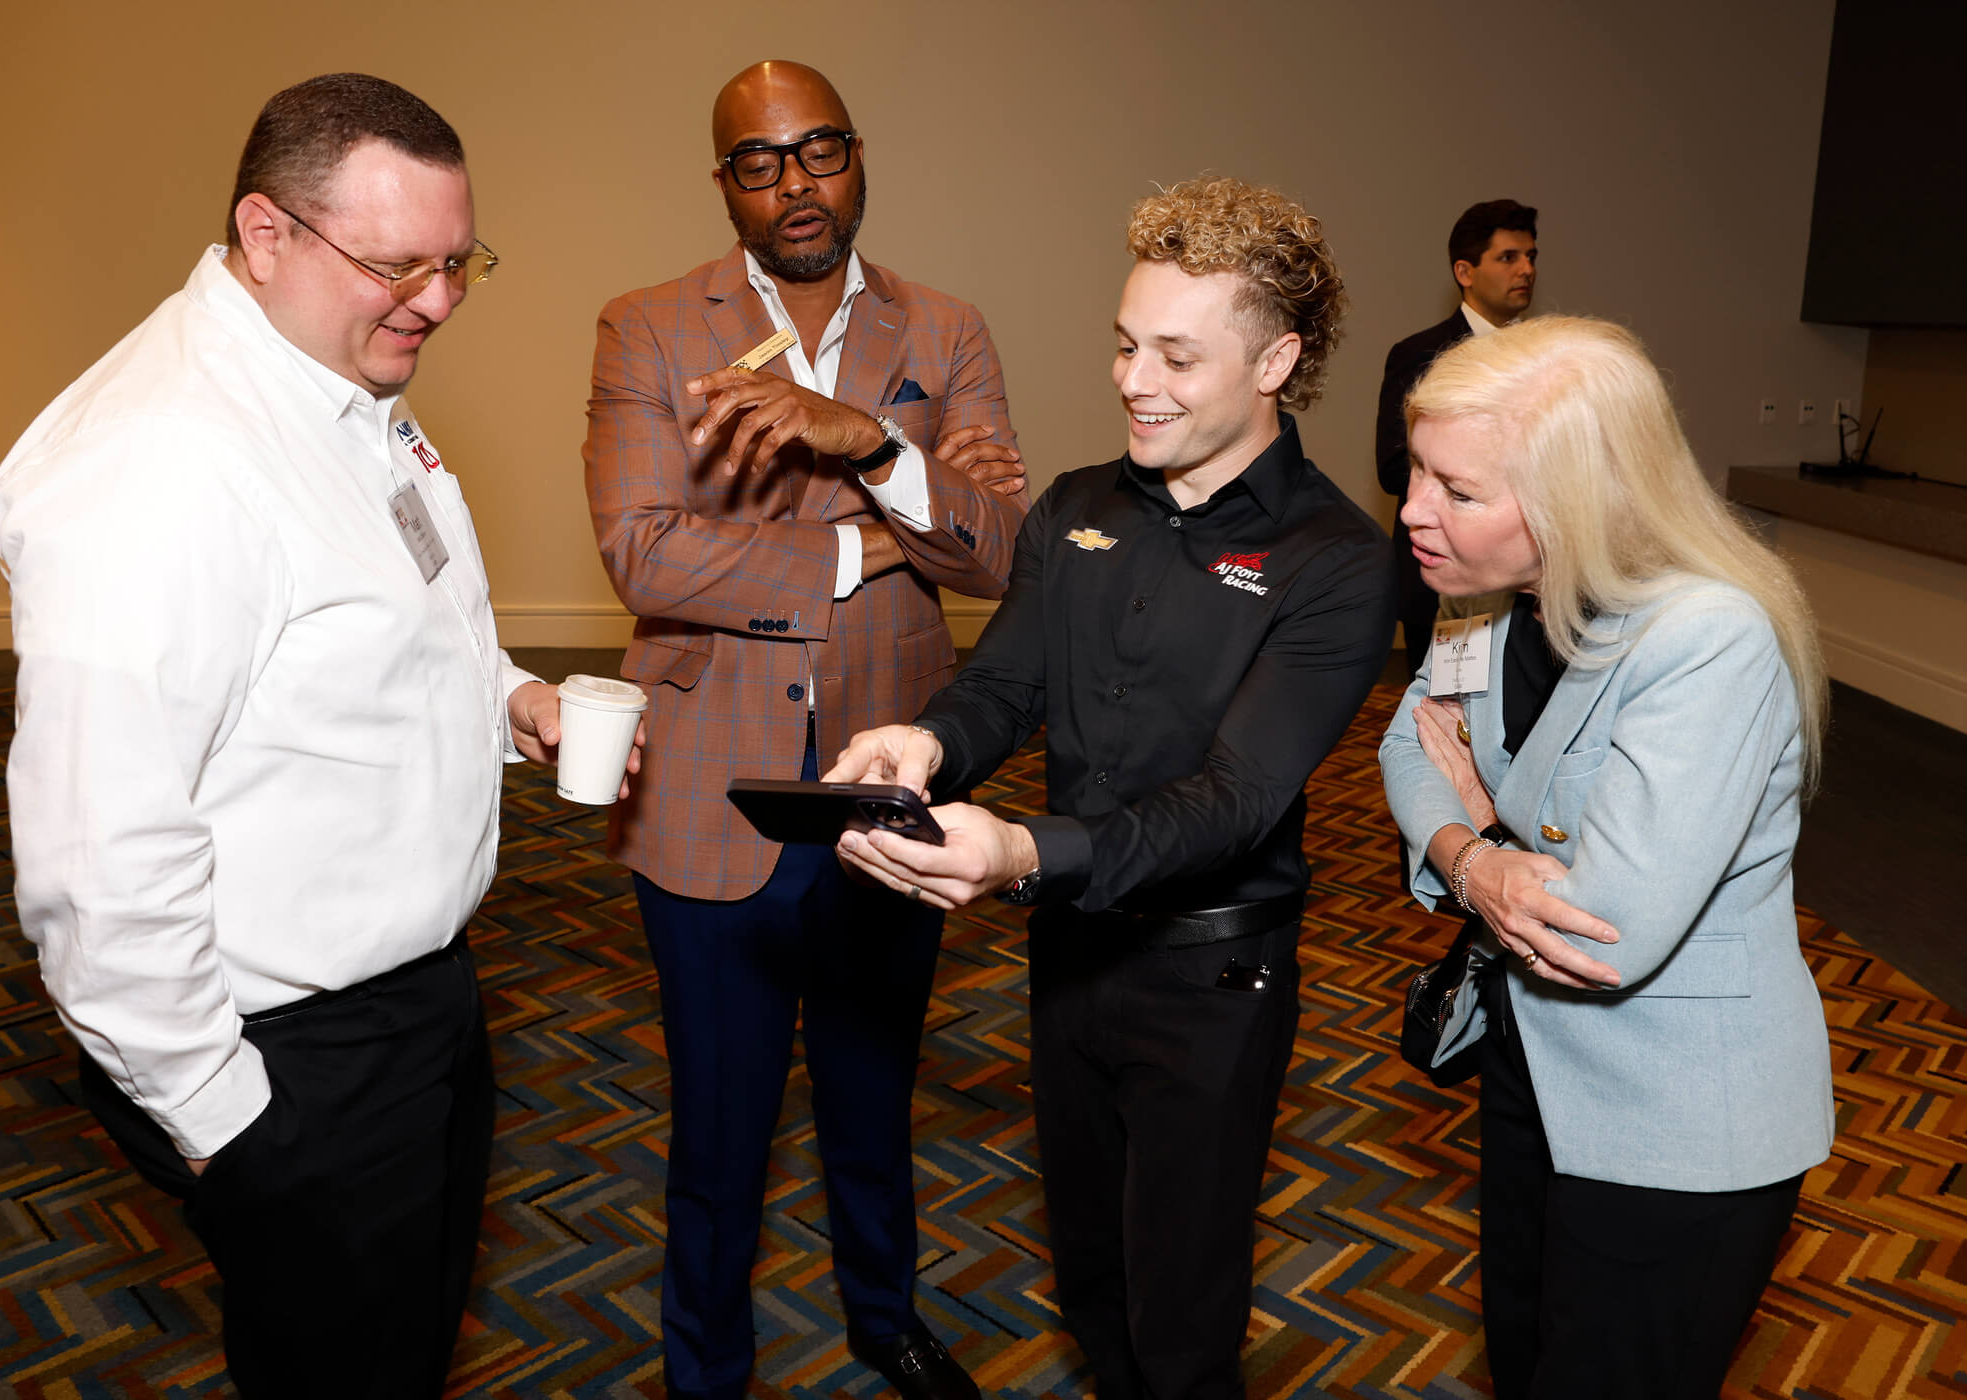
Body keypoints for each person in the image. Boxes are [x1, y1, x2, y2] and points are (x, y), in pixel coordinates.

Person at [0, 74, 623, 1398]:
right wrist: (223, 1123)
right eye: (396, 265)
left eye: (458, 262)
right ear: (265, 233)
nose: (437, 301)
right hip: (293, 1057)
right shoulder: (163, 458)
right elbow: (98, 852)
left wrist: (509, 699)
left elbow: (378, 622)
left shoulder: (329, 382)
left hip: (412, 1002)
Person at [828, 177, 1394, 1399]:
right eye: (1127, 344)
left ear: (1275, 363)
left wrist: (1021, 852)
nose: (1136, 380)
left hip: (1213, 977)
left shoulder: (1338, 560)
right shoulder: (1077, 507)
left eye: (1178, 356)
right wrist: (925, 744)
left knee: (1179, 1315)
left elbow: (1235, 798)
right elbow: (1003, 687)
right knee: (1091, 1280)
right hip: (1074, 954)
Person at [581, 59, 1027, 1400]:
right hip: (707, 789)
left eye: (819, 150)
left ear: (857, 154)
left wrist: (873, 446)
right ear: (725, 182)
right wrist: (876, 543)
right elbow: (645, 553)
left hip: (887, 776)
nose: (796, 184)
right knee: (719, 1126)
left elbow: (998, 550)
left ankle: (884, 1319)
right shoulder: (648, 328)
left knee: (873, 1092)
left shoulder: (945, 328)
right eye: (760, 161)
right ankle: (707, 1368)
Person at [1378, 316, 1835, 1399]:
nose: (1412, 510)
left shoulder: (1705, 638)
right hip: (1533, 1070)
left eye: (1458, 489)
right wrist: (1476, 855)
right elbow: (1405, 746)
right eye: (1418, 473)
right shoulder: (1484, 600)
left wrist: (1477, 826)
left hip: (1675, 1124)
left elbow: (1604, 933)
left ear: (1571, 499)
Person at [1375, 199, 1538, 674]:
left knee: (1522, 705)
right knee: (1445, 705)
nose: (1526, 269)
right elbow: (1392, 466)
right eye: (1508, 257)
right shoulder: (1420, 354)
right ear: (1465, 272)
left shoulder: (1547, 356)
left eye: (1531, 256)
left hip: (1531, 581)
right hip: (1445, 571)